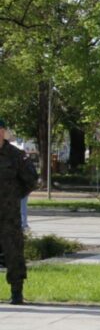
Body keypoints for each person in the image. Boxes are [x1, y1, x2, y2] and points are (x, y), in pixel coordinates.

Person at [0, 118, 37, 305]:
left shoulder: (16, 156)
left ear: (4, 132)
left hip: (8, 215)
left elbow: (31, 180)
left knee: (13, 253)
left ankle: (16, 292)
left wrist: (14, 196)